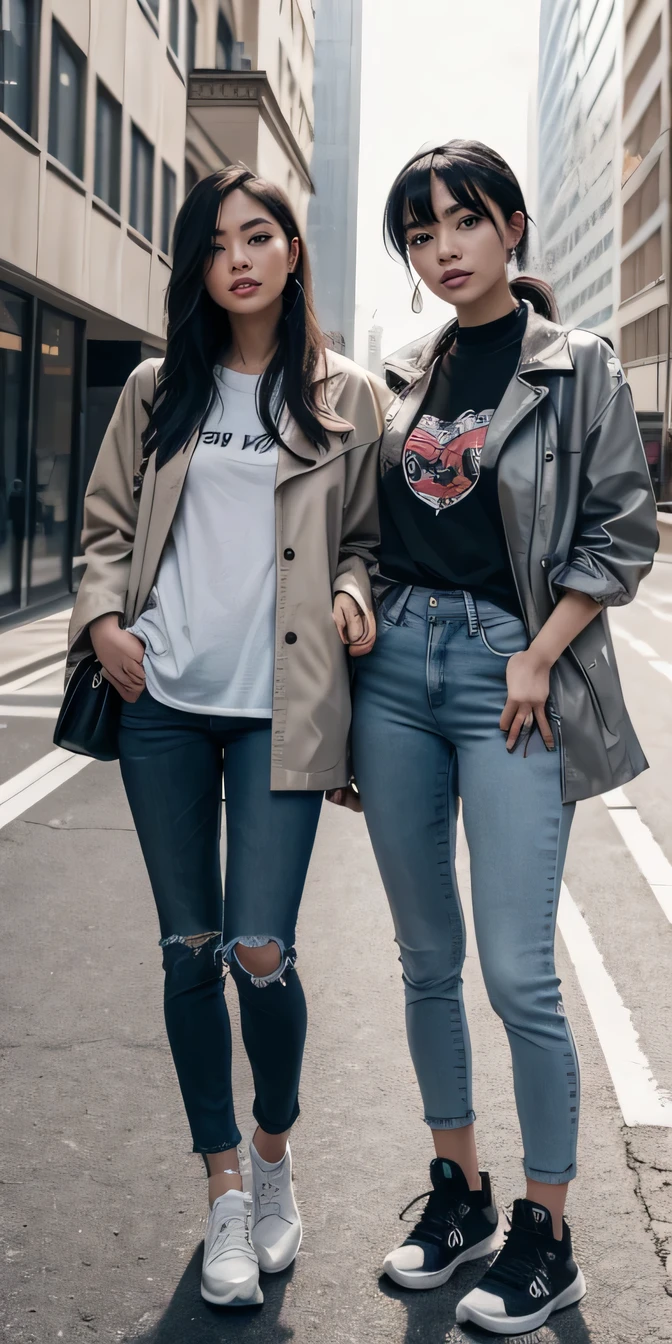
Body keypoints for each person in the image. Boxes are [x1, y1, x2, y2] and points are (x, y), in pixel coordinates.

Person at [335, 140, 657, 1335]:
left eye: (462, 222)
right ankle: (459, 1191)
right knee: (426, 957)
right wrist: (358, 592)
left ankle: (550, 1231)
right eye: (420, 235)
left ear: (512, 227)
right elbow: (363, 524)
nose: (442, 250)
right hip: (396, 677)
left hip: (508, 675)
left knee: (518, 971)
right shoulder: (401, 374)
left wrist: (537, 648)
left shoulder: (577, 367)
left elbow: (623, 533)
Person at [66, 165, 390, 1309]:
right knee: (187, 950)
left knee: (261, 948)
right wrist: (104, 617)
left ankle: (272, 1152)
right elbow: (105, 523)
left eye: (260, 237)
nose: (239, 258)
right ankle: (220, 1196)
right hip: (161, 698)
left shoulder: (346, 396)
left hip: (279, 710)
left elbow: (368, 540)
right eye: (217, 243)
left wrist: (355, 592)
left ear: (293, 252)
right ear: (198, 265)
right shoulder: (161, 387)